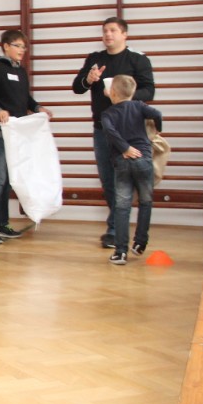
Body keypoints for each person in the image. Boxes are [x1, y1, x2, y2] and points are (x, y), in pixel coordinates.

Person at [72, 17, 155, 249]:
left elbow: (149, 91)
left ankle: (118, 230)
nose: (108, 35)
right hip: (102, 129)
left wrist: (123, 96)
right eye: (105, 31)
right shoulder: (94, 59)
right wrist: (88, 80)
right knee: (108, 180)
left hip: (130, 131)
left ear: (124, 34)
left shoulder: (138, 59)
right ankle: (116, 227)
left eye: (113, 30)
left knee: (126, 180)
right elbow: (77, 87)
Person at [0, 29, 52, 244]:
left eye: (24, 47)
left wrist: (38, 107)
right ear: (6, 46)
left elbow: (25, 98)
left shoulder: (21, 71)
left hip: (16, 135)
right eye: (17, 45)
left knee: (8, 181)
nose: (22, 50)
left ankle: (1, 224)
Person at [101, 75, 164, 265]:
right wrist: (158, 129)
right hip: (143, 158)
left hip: (122, 162)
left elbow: (109, 131)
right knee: (146, 201)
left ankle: (120, 252)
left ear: (112, 93)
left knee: (122, 206)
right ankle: (140, 242)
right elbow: (157, 114)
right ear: (133, 91)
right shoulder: (139, 106)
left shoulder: (108, 113)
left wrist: (125, 148)